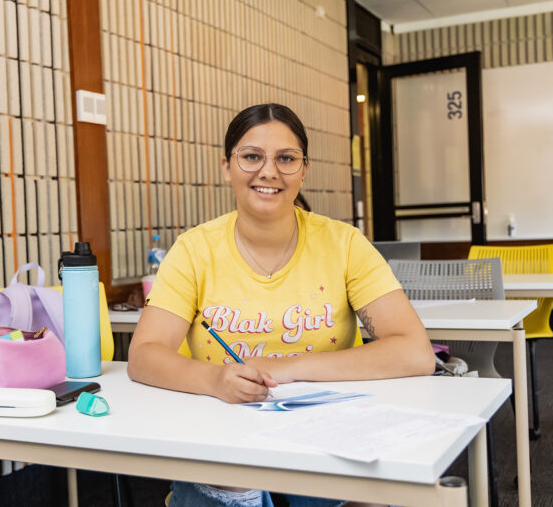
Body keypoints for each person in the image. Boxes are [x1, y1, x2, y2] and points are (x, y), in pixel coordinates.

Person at [127, 103, 434, 507]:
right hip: (224, 433)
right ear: (227, 167)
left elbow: (415, 352)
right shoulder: (194, 249)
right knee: (230, 488)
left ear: (303, 169)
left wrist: (285, 369)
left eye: (286, 159)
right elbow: (144, 356)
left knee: (372, 495)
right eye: (252, 156)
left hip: (330, 435)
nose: (269, 172)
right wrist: (215, 381)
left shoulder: (344, 244)